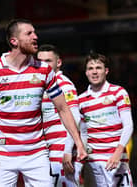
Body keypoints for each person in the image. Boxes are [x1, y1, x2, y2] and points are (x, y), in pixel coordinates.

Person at [0, 18, 87, 187]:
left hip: (36, 154)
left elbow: (63, 108)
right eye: (29, 33)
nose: (35, 37)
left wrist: (78, 143)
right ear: (14, 41)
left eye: (35, 32)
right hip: (3, 154)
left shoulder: (44, 70)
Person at [79, 52, 134, 187]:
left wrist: (118, 153)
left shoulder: (119, 92)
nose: (94, 72)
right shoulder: (80, 100)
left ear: (106, 71)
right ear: (86, 72)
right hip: (93, 161)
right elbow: (84, 132)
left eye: (99, 68)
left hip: (116, 158)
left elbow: (128, 125)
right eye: (90, 68)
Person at [36, 44, 82, 187]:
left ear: (59, 63)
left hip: (61, 147)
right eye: (40, 61)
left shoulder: (64, 84)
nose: (44, 65)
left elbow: (75, 117)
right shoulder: (39, 84)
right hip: (45, 147)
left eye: (48, 61)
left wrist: (67, 150)